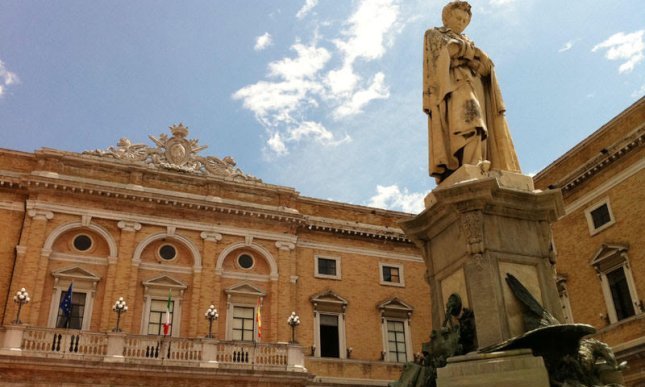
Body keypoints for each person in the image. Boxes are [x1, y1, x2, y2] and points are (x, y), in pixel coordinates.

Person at [423, 1, 521, 183]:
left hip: (477, 86)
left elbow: (484, 66)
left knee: (482, 124)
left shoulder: (468, 41)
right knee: (471, 121)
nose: (461, 23)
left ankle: (478, 162)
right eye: (458, 18)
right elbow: (445, 55)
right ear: (446, 18)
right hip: (454, 86)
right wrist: (472, 55)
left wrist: (468, 55)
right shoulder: (434, 34)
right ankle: (472, 163)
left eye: (464, 21)